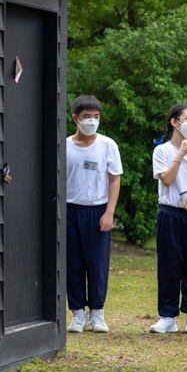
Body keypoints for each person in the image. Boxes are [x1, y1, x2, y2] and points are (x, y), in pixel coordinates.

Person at [66, 95, 122, 334]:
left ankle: (97, 313)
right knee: (73, 264)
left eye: (96, 117)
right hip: (70, 209)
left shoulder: (108, 145)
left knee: (97, 264)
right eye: (87, 117)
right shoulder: (64, 145)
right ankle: (77, 313)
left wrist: (109, 212)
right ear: (75, 119)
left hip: (98, 210)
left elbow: (114, 179)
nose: (92, 121)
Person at [150, 104, 187, 334]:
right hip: (170, 214)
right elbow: (166, 180)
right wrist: (181, 153)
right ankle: (167, 316)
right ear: (175, 122)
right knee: (169, 265)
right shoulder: (162, 150)